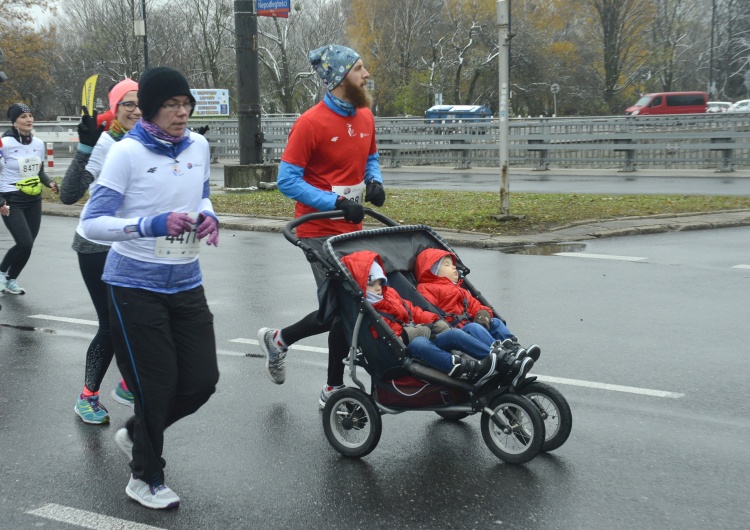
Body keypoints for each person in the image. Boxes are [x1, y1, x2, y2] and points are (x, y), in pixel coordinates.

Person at [81, 66, 220, 510]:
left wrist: (208, 213)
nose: (181, 114)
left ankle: (138, 432)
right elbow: (92, 223)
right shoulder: (127, 153)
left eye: (186, 105)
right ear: (150, 109)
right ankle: (145, 478)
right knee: (155, 387)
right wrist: (147, 225)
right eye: (171, 106)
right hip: (133, 285)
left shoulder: (198, 144)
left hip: (186, 281)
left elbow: (200, 193)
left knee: (202, 381)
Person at [256, 44, 386, 407]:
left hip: (352, 228)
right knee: (340, 309)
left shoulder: (365, 116)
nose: (366, 74)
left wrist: (374, 182)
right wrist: (336, 203)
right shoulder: (310, 123)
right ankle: (329, 386)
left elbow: (370, 158)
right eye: (360, 68)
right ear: (341, 77)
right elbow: (287, 180)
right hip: (317, 231)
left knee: (353, 306)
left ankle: (282, 343)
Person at [61, 79, 141, 425]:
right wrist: (84, 148)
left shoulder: (146, 140)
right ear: (115, 108)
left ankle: (128, 384)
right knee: (111, 323)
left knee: (144, 314)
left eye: (142, 103)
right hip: (96, 245)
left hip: (130, 244)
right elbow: (68, 194)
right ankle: (89, 396)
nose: (136, 110)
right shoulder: (107, 141)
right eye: (128, 104)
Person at [342, 250, 533, 387]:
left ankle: (502, 359)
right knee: (420, 345)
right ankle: (461, 367)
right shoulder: (367, 311)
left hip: (424, 332)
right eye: (371, 284)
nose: (378, 288)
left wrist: (434, 321)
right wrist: (412, 333)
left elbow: (413, 310)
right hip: (403, 348)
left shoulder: (389, 294)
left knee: (456, 334)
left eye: (380, 282)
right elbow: (385, 335)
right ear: (360, 286)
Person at [414, 248, 541, 363]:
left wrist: (483, 314)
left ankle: (515, 348)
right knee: (473, 327)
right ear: (432, 271)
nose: (453, 267)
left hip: (470, 324)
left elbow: (475, 305)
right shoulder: (426, 288)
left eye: (453, 264)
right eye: (447, 265)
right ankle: (501, 355)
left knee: (495, 322)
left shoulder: (460, 290)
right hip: (453, 328)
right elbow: (427, 310)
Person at [0, 103, 59, 294]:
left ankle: (11, 279)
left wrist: (49, 183)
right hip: (10, 199)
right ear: (15, 122)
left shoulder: (38, 144)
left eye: (31, 115)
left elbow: (39, 170)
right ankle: (1, 274)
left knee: (28, 245)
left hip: (33, 199)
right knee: (24, 242)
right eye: (24, 116)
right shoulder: (4, 143)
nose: (29, 120)